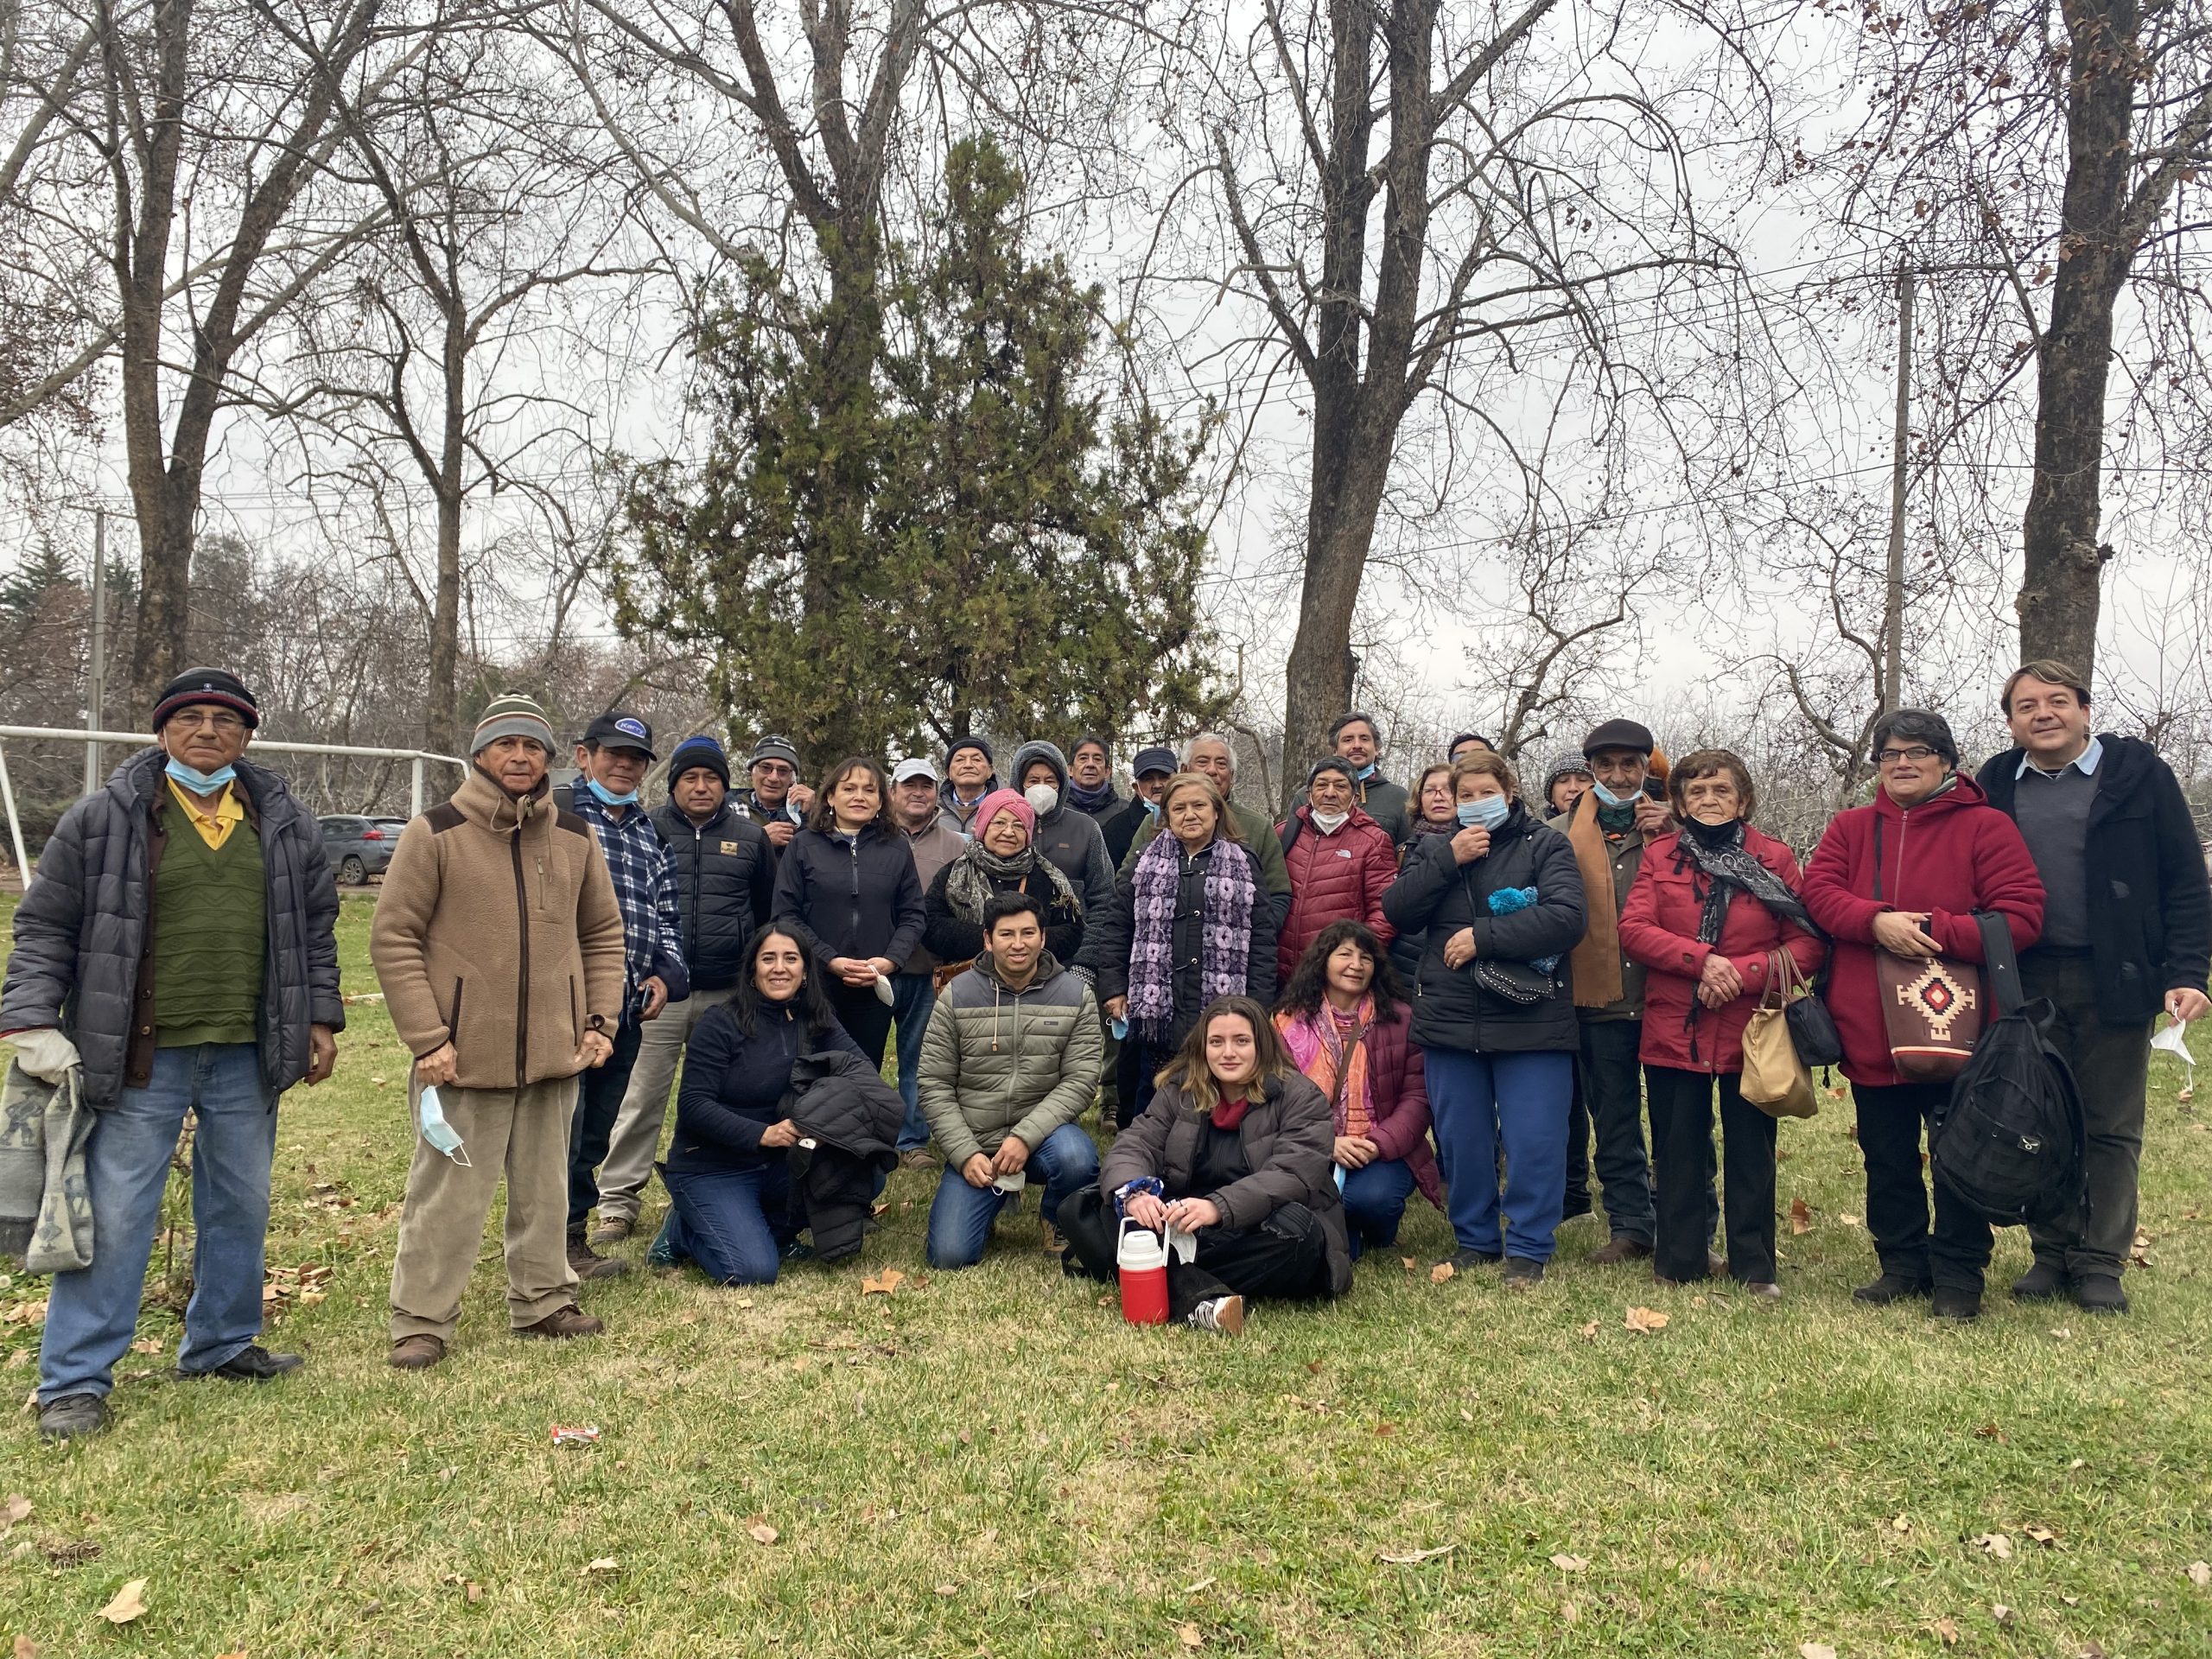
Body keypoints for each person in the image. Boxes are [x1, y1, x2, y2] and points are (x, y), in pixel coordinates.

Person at [5, 668, 342, 1441]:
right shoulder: (102, 818)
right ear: (162, 732)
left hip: (247, 1053)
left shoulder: (282, 823)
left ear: (247, 736)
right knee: (120, 1217)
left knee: (240, 1207)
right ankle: (74, 1379)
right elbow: (45, 927)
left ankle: (221, 1344)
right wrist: (30, 1020)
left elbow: (314, 931)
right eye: (188, 718)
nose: (206, 732)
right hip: (134, 1057)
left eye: (225, 721)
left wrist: (320, 1019)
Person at [377, 695, 626, 1370]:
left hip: (555, 1051)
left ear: (549, 758)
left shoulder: (575, 837)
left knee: (547, 1187)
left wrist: (600, 1019)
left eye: (533, 746)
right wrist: (429, 1037)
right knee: (447, 1195)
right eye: (506, 745)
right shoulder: (434, 833)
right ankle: (422, 1320)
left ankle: (544, 1298)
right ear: (481, 754)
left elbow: (602, 933)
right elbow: (394, 938)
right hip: (460, 1057)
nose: (520, 757)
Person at [1976, 661, 2212, 1313]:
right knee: (2039, 1116)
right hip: (2025, 976)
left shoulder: (2139, 777)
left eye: (2057, 701)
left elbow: (2186, 882)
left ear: (2085, 710)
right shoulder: (1995, 783)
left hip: (2117, 975)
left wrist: (2189, 971)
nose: (2043, 714)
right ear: (2010, 721)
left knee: (2109, 1123)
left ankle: (2101, 1259)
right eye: (2027, 705)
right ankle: (2051, 1252)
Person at [1801, 709, 2045, 1320]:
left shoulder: (1986, 827)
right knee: (1886, 1155)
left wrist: (1937, 929)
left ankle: (1960, 1274)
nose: (1902, 764)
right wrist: (1875, 920)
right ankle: (1902, 1262)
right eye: (1890, 754)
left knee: (1959, 1153)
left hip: (1959, 1031)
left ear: (1945, 761)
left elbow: (2022, 915)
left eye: (1917, 752)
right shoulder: (1851, 827)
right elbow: (1820, 893)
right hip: (1869, 1026)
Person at [1618, 750, 1827, 1296]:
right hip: (1675, 1024)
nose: (1709, 801)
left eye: (1721, 791)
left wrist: (1740, 971)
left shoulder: (1775, 858)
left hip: (1751, 1026)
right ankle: (1679, 1260)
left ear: (1743, 799)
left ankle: (1754, 1267)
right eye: (1697, 792)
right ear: (1681, 803)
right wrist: (1700, 961)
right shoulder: (1660, 855)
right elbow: (1634, 929)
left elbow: (1806, 942)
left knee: (1751, 1150)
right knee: (1679, 1148)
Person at [1382, 749, 1586, 1285]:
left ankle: (1528, 1245)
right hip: (1450, 1019)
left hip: (1531, 1018)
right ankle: (1475, 1238)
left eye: (1484, 794)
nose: (1474, 804)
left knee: (1533, 1139)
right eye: (1464, 795)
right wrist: (1450, 858)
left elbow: (1567, 918)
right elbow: (1397, 910)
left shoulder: (1546, 844)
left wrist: (1484, 938)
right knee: (1462, 1139)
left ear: (1510, 793)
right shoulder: (1434, 849)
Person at [1060, 996, 1351, 1332]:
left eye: (1241, 1041)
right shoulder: (1181, 1089)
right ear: (1203, 1047)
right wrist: (1137, 1193)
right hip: (1187, 1225)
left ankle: (1164, 1279)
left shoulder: (1301, 1096)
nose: (1228, 1052)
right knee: (1101, 1205)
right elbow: (1136, 1142)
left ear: (1262, 1045)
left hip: (1257, 1227)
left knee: (1300, 1231)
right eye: (1217, 1042)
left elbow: (1292, 1175)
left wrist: (1217, 1208)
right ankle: (1197, 1295)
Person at [588, 734, 773, 1246]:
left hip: (728, 995)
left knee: (726, 1100)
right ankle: (618, 1201)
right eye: (689, 777)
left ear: (724, 784)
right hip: (659, 994)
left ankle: (722, 1186)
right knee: (641, 1097)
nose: (700, 786)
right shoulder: (644, 829)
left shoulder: (750, 838)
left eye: (711, 777)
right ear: (673, 784)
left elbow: (765, 916)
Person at [650, 925, 871, 1283]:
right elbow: (692, 1104)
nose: (779, 968)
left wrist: (828, 1123)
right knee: (752, 1271)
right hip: (714, 1166)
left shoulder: (816, 1018)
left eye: (791, 959)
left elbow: (863, 1074)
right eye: (768, 959)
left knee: (862, 1169)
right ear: (753, 970)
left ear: (805, 971)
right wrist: (762, 1133)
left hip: (780, 1163)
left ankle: (765, 1232)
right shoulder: (720, 1023)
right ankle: (682, 1232)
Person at [1553, 719, 1684, 1266]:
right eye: (1605, 766)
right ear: (1591, 772)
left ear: (1646, 768)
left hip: (1668, 998)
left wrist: (1676, 830)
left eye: (1629, 765)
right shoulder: (1560, 833)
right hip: (1598, 1000)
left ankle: (1688, 1223)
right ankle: (1631, 1226)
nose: (1619, 775)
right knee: (1615, 1120)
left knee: (1681, 1124)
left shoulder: (1679, 827)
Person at [562, 712, 689, 1279]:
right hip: (563, 1001)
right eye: (612, 753)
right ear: (584, 756)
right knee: (561, 1125)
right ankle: (545, 1245)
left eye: (636, 758)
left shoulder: (648, 830)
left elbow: (665, 914)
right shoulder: (556, 817)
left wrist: (664, 972)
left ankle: (571, 1239)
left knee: (595, 1127)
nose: (624, 765)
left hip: (628, 1006)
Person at [917, 893, 1103, 1268]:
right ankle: (987, 1206)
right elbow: (934, 1082)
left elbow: (1081, 1079)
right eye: (1006, 934)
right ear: (988, 940)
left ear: (1043, 937)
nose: (1018, 944)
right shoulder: (958, 994)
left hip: (1046, 1138)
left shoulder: (1075, 994)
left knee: (1077, 1158)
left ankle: (1056, 1219)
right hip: (978, 1141)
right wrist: (964, 1153)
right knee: (949, 1257)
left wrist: (1024, 1136)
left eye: (1028, 933)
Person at [1084, 772, 1280, 1127]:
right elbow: (1117, 926)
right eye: (1179, 808)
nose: (1190, 814)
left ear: (1217, 811)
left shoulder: (1244, 864)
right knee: (1153, 1096)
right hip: (1157, 1011)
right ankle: (1145, 1164)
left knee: (1216, 1098)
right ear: (1167, 817)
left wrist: (1259, 1002)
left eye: (1199, 806)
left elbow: (1262, 938)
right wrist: (1113, 988)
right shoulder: (1144, 865)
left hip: (1220, 1009)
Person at [1273, 921, 1442, 1255]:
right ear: (1322, 961)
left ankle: (1374, 1230)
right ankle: (1342, 1231)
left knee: (1370, 1200)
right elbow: (1274, 1101)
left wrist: (1376, 1145)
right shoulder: (1286, 1023)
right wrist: (1326, 1142)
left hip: (1379, 1148)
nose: (1356, 965)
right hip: (1311, 1146)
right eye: (1345, 954)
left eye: (1366, 958)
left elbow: (1417, 1099)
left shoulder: (1401, 1020)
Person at [771, 757, 927, 1066]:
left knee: (863, 1075)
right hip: (815, 984)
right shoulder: (803, 846)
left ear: (881, 800)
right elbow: (786, 915)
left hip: (873, 986)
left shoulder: (896, 848)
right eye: (849, 788)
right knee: (810, 1074)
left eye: (869, 790)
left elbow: (913, 915)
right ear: (830, 796)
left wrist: (890, 961)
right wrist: (829, 960)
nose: (859, 797)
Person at [1119, 734, 1293, 929]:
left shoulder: (1257, 827)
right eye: (1203, 762)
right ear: (1184, 770)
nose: (1212, 770)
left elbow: (1278, 895)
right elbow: (1126, 888)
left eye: (1221, 764)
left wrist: (1250, 937)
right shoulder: (1158, 821)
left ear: (1232, 775)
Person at [888, 756, 969, 1166]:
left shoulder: (958, 844)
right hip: (874, 969)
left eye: (925, 785)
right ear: (893, 792)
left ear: (937, 793)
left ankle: (912, 1140)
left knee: (918, 1059)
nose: (917, 792)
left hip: (927, 970)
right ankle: (864, 1134)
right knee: (861, 1058)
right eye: (909, 785)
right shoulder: (873, 837)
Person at [924, 790, 1086, 968]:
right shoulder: (954, 873)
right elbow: (930, 924)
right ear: (984, 827)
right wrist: (992, 940)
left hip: (1037, 983)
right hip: (969, 981)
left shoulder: (1049, 877)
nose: (1009, 832)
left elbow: (1072, 931)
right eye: (1000, 823)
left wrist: (1025, 946)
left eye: (1018, 826)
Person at [1275, 758, 1398, 986]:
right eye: (1322, 785)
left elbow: (1384, 911)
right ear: (1309, 793)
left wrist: (1354, 962)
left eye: (1340, 786)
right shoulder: (1285, 833)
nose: (1330, 793)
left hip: (1335, 980)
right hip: (1279, 975)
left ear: (1355, 797)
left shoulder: (1373, 841)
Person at [1011, 740, 1117, 919]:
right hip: (1015, 941)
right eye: (1034, 781)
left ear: (1062, 784)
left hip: (1074, 942)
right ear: (1020, 783)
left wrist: (1089, 945)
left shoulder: (1086, 828)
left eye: (1050, 780)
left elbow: (1103, 898)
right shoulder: (1003, 827)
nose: (1042, 787)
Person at [1387, 760, 1460, 984]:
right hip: (1403, 972)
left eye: (1448, 789)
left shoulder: (1482, 845)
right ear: (1419, 801)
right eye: (1429, 790)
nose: (1439, 797)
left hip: (1456, 965)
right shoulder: (1401, 850)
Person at [1330, 711, 1410, 843]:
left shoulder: (1399, 798)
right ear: (1335, 750)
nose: (1357, 745)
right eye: (1348, 740)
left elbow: (1410, 856)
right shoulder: (1311, 796)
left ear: (1377, 748)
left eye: (1364, 739)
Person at [731, 734, 811, 855]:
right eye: (765, 768)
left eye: (783, 771)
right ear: (752, 772)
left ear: (793, 779)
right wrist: (761, 840)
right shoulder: (731, 812)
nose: (773, 778)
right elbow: (721, 856)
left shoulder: (802, 812)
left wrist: (811, 815)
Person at [1101, 744, 1176, 870]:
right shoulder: (1115, 830)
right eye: (1148, 779)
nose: (1157, 785)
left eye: (1164, 777)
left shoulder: (1193, 819)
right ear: (1136, 787)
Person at [940, 737, 999, 836]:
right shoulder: (932, 811)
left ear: (990, 771)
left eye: (976, 759)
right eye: (959, 760)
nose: (968, 765)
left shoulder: (1005, 808)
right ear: (949, 773)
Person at [1065, 736, 1121, 823]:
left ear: (1107, 771)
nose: (1090, 764)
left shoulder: (1124, 812)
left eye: (1097, 759)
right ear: (1070, 770)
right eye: (1083, 758)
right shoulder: (1057, 809)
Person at [1543, 753, 1594, 818]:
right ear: (1551, 795)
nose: (1573, 788)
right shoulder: (1538, 827)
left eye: (1582, 780)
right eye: (1563, 781)